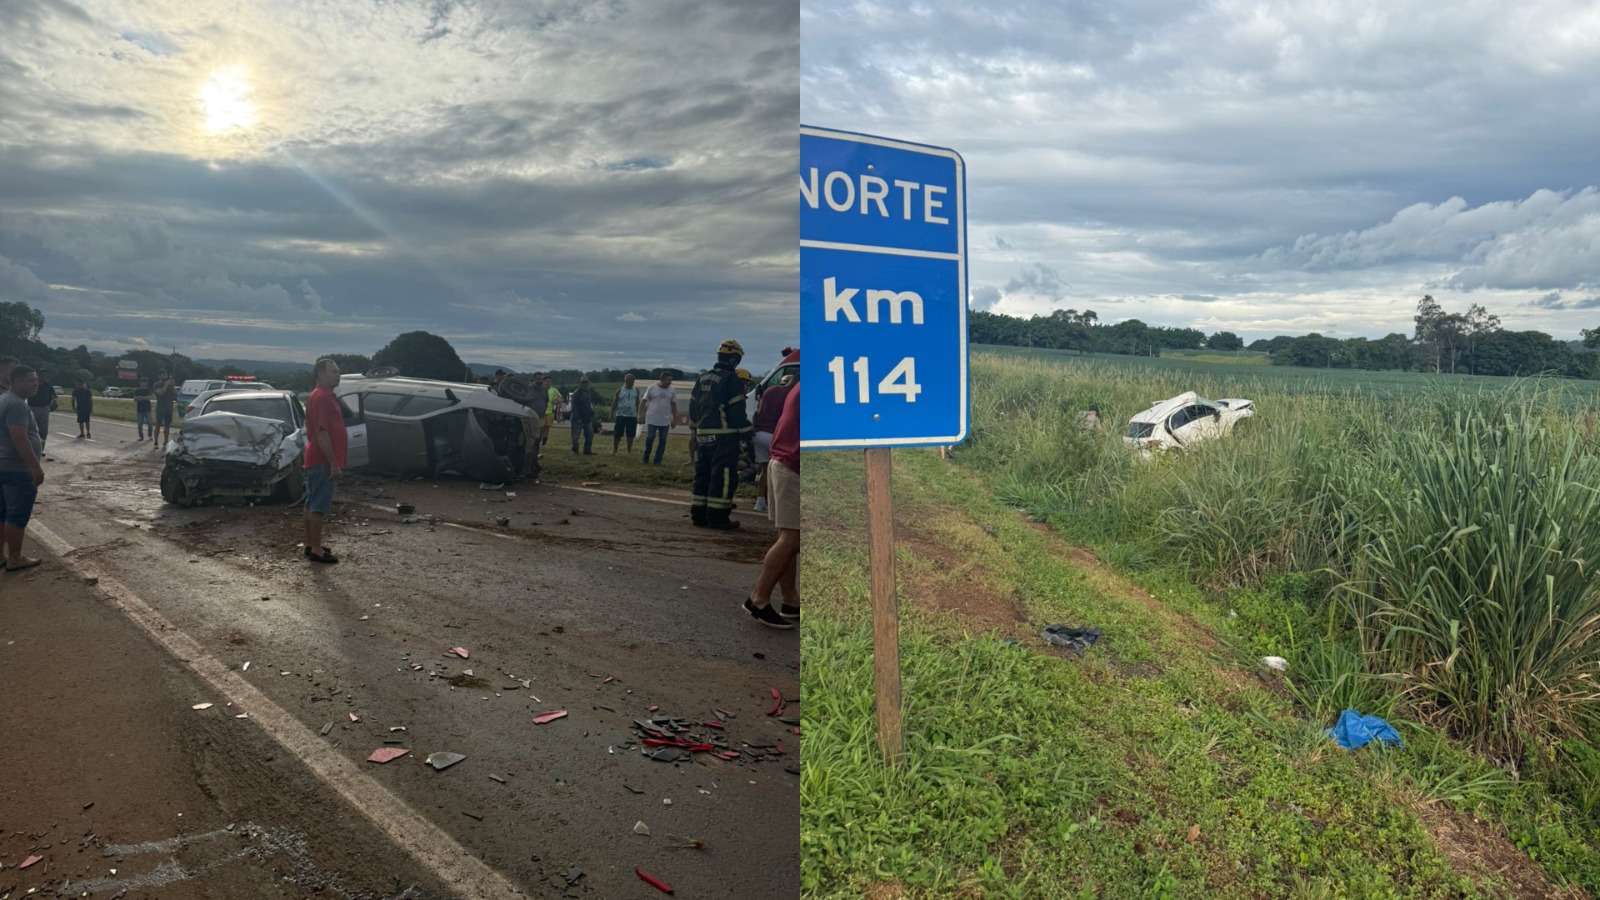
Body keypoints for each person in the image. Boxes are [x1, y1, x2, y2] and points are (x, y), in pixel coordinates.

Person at [743, 374, 799, 628]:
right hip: (793, 466)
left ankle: (790, 600)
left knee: (788, 537)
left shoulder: (801, 385)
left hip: (783, 462)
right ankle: (758, 598)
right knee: (792, 538)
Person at [689, 340, 753, 529]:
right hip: (724, 437)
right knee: (723, 476)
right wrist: (747, 431)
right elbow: (736, 412)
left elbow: (693, 408)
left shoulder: (702, 378)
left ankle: (698, 515)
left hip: (703, 435)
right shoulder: (731, 379)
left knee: (703, 475)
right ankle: (718, 517)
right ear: (734, 359)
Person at [0, 365, 46, 571]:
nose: (36, 383)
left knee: (3, 514)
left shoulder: (4, 399)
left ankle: (2, 555)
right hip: (16, 469)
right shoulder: (16, 405)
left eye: (36, 380)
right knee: (16, 515)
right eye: (31, 380)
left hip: (4, 466)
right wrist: (35, 467)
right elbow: (19, 438)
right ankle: (15, 558)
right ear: (16, 381)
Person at [303, 358, 346, 564]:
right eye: (333, 372)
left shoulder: (324, 396)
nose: (338, 375)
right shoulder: (321, 397)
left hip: (316, 459)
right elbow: (322, 433)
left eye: (338, 372)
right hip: (321, 461)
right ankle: (316, 549)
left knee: (311, 503)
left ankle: (311, 543)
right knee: (318, 506)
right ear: (320, 374)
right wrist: (333, 463)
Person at [749, 369, 795, 514]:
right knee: (780, 471)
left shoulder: (769, 391)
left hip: (759, 434)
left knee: (764, 470)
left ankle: (760, 502)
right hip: (773, 436)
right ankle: (777, 505)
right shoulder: (789, 394)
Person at [640, 371, 677, 465]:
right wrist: (639, 414)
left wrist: (674, 418)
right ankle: (646, 456)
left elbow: (673, 405)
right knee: (650, 437)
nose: (670, 382)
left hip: (665, 420)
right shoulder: (652, 388)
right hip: (652, 419)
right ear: (662, 379)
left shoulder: (672, 390)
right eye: (668, 380)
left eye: (671, 380)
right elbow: (643, 401)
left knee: (663, 440)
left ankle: (658, 460)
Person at [27, 370, 57, 450]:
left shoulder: (48, 385)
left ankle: (41, 448)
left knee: (43, 429)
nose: (42, 377)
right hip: (31, 407)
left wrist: (53, 402)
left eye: (44, 375)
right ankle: (30, 447)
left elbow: (54, 396)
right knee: (29, 428)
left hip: (44, 408)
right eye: (40, 375)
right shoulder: (32, 384)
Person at [612, 374, 640, 455]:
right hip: (620, 415)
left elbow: (637, 403)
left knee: (630, 434)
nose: (632, 382)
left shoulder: (636, 390)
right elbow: (614, 402)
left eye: (633, 380)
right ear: (626, 381)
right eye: (631, 380)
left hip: (632, 416)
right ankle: (615, 449)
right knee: (617, 434)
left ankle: (629, 451)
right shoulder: (619, 390)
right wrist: (611, 413)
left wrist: (638, 414)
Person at [569, 377, 596, 454]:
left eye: (586, 383)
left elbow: (589, 405)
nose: (584, 384)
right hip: (577, 419)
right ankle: (575, 449)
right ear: (579, 383)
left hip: (587, 419)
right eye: (583, 383)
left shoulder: (588, 392)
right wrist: (578, 418)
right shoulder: (576, 394)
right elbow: (574, 407)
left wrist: (592, 413)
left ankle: (587, 451)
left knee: (590, 435)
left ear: (588, 383)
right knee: (575, 437)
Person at [151, 371, 177, 448]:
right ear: (159, 376)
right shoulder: (156, 384)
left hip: (169, 407)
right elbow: (160, 393)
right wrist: (166, 385)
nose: (165, 376)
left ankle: (165, 441)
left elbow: (175, 396)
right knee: (158, 424)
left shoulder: (170, 385)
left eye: (166, 375)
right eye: (163, 375)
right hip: (160, 407)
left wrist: (173, 386)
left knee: (167, 425)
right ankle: (156, 441)